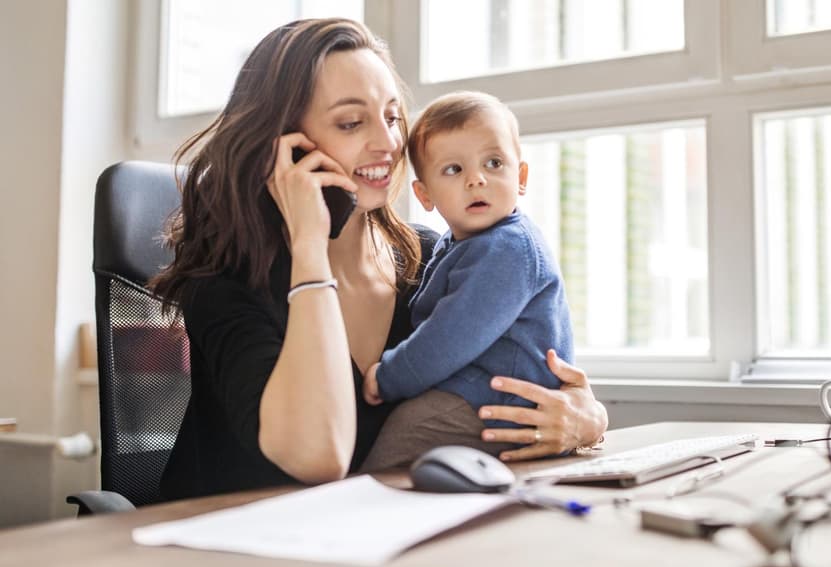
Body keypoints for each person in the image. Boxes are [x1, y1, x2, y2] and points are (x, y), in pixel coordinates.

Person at [149, 18, 607, 500]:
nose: (389, 144)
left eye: (391, 117)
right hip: (229, 552)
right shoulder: (226, 281)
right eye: (351, 122)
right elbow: (319, 457)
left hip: (383, 545)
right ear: (283, 147)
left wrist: (585, 419)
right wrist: (309, 245)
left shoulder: (430, 259)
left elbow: (536, 377)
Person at [359, 91, 572, 469]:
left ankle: (358, 512)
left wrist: (388, 377)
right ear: (425, 194)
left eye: (493, 163)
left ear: (520, 176)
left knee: (395, 448)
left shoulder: (508, 249)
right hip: (480, 395)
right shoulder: (457, 244)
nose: (477, 180)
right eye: (454, 170)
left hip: (499, 403)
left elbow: (449, 336)